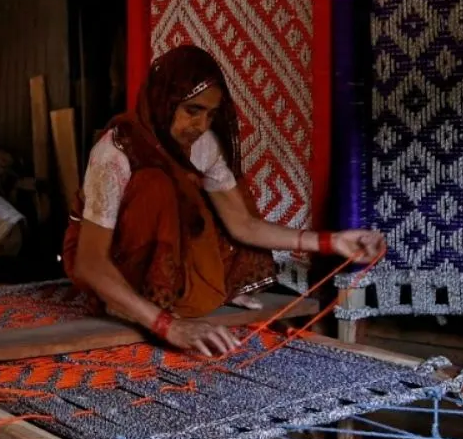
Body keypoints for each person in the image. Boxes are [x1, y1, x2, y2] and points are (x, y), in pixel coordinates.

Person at [62, 45, 385, 357]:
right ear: (164, 100)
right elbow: (89, 263)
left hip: (161, 246)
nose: (201, 125)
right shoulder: (115, 152)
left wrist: (333, 242)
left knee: (229, 191)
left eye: (211, 114)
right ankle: (124, 301)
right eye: (193, 110)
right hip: (105, 258)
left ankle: (179, 294)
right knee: (155, 185)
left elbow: (241, 224)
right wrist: (169, 326)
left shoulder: (203, 143)